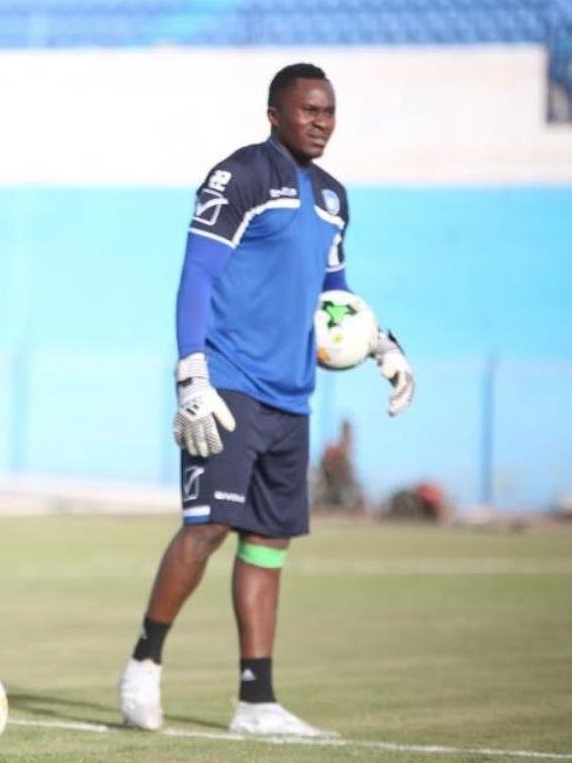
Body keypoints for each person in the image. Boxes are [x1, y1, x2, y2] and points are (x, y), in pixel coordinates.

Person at [117, 63, 414, 737]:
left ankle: (256, 700)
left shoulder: (335, 197)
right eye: (308, 109)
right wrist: (191, 372)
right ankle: (144, 662)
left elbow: (337, 294)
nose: (321, 121)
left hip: (292, 396)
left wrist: (383, 345)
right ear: (274, 112)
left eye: (330, 111)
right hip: (227, 383)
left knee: (268, 542)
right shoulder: (241, 176)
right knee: (208, 526)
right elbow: (198, 271)